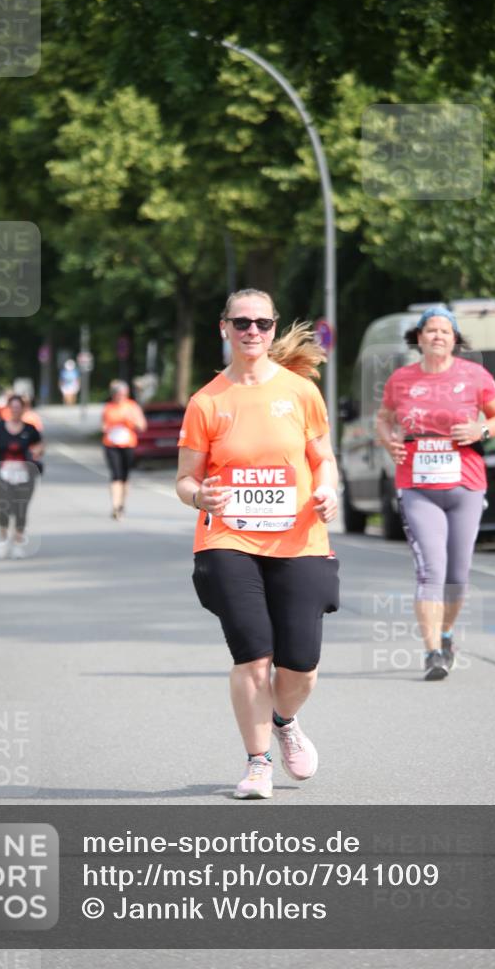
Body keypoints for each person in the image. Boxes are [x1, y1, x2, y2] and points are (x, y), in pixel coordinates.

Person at [176, 288, 340, 800]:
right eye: (242, 322)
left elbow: (323, 459)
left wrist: (328, 488)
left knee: (302, 668)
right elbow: (185, 480)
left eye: (263, 323)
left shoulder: (301, 392)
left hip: (300, 540)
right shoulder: (207, 401)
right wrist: (199, 494)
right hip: (228, 539)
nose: (252, 331)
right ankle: (257, 764)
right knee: (252, 656)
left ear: (272, 330)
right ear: (222, 327)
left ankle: (283, 720)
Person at [376, 305, 495, 681]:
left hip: (465, 483)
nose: (437, 336)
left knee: (458, 573)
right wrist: (390, 443)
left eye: (444, 331)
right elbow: (384, 419)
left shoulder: (474, 376)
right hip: (417, 485)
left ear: (455, 339)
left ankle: (447, 634)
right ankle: (433, 651)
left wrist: (479, 431)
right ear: (419, 338)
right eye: (430, 330)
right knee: (431, 570)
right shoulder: (401, 379)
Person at [0, 394, 43, 559]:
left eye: (19, 407)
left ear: (23, 409)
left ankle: (17, 543)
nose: (16, 410)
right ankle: (2, 541)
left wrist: (36, 452)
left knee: (21, 509)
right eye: (13, 407)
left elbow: (40, 445)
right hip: (3, 474)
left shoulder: (30, 429)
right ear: (8, 409)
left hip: (24, 475)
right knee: (4, 507)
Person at [101, 380, 146, 520]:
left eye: (122, 394)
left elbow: (142, 426)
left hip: (128, 445)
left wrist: (130, 421)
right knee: (116, 475)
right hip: (111, 445)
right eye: (117, 394)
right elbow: (103, 426)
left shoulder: (132, 407)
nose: (120, 397)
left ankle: (122, 504)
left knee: (125, 477)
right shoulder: (108, 407)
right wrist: (108, 427)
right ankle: (115, 506)